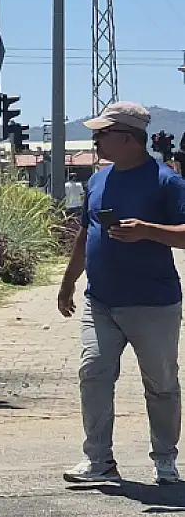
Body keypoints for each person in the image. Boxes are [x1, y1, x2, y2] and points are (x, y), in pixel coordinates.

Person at [57, 101, 183, 486]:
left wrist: (148, 230)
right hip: (102, 301)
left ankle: (165, 460)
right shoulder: (98, 180)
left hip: (153, 303)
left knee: (160, 385)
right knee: (93, 373)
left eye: (101, 134)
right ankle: (98, 460)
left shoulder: (167, 181)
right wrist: (68, 281)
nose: (95, 141)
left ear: (127, 138)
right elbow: (85, 231)